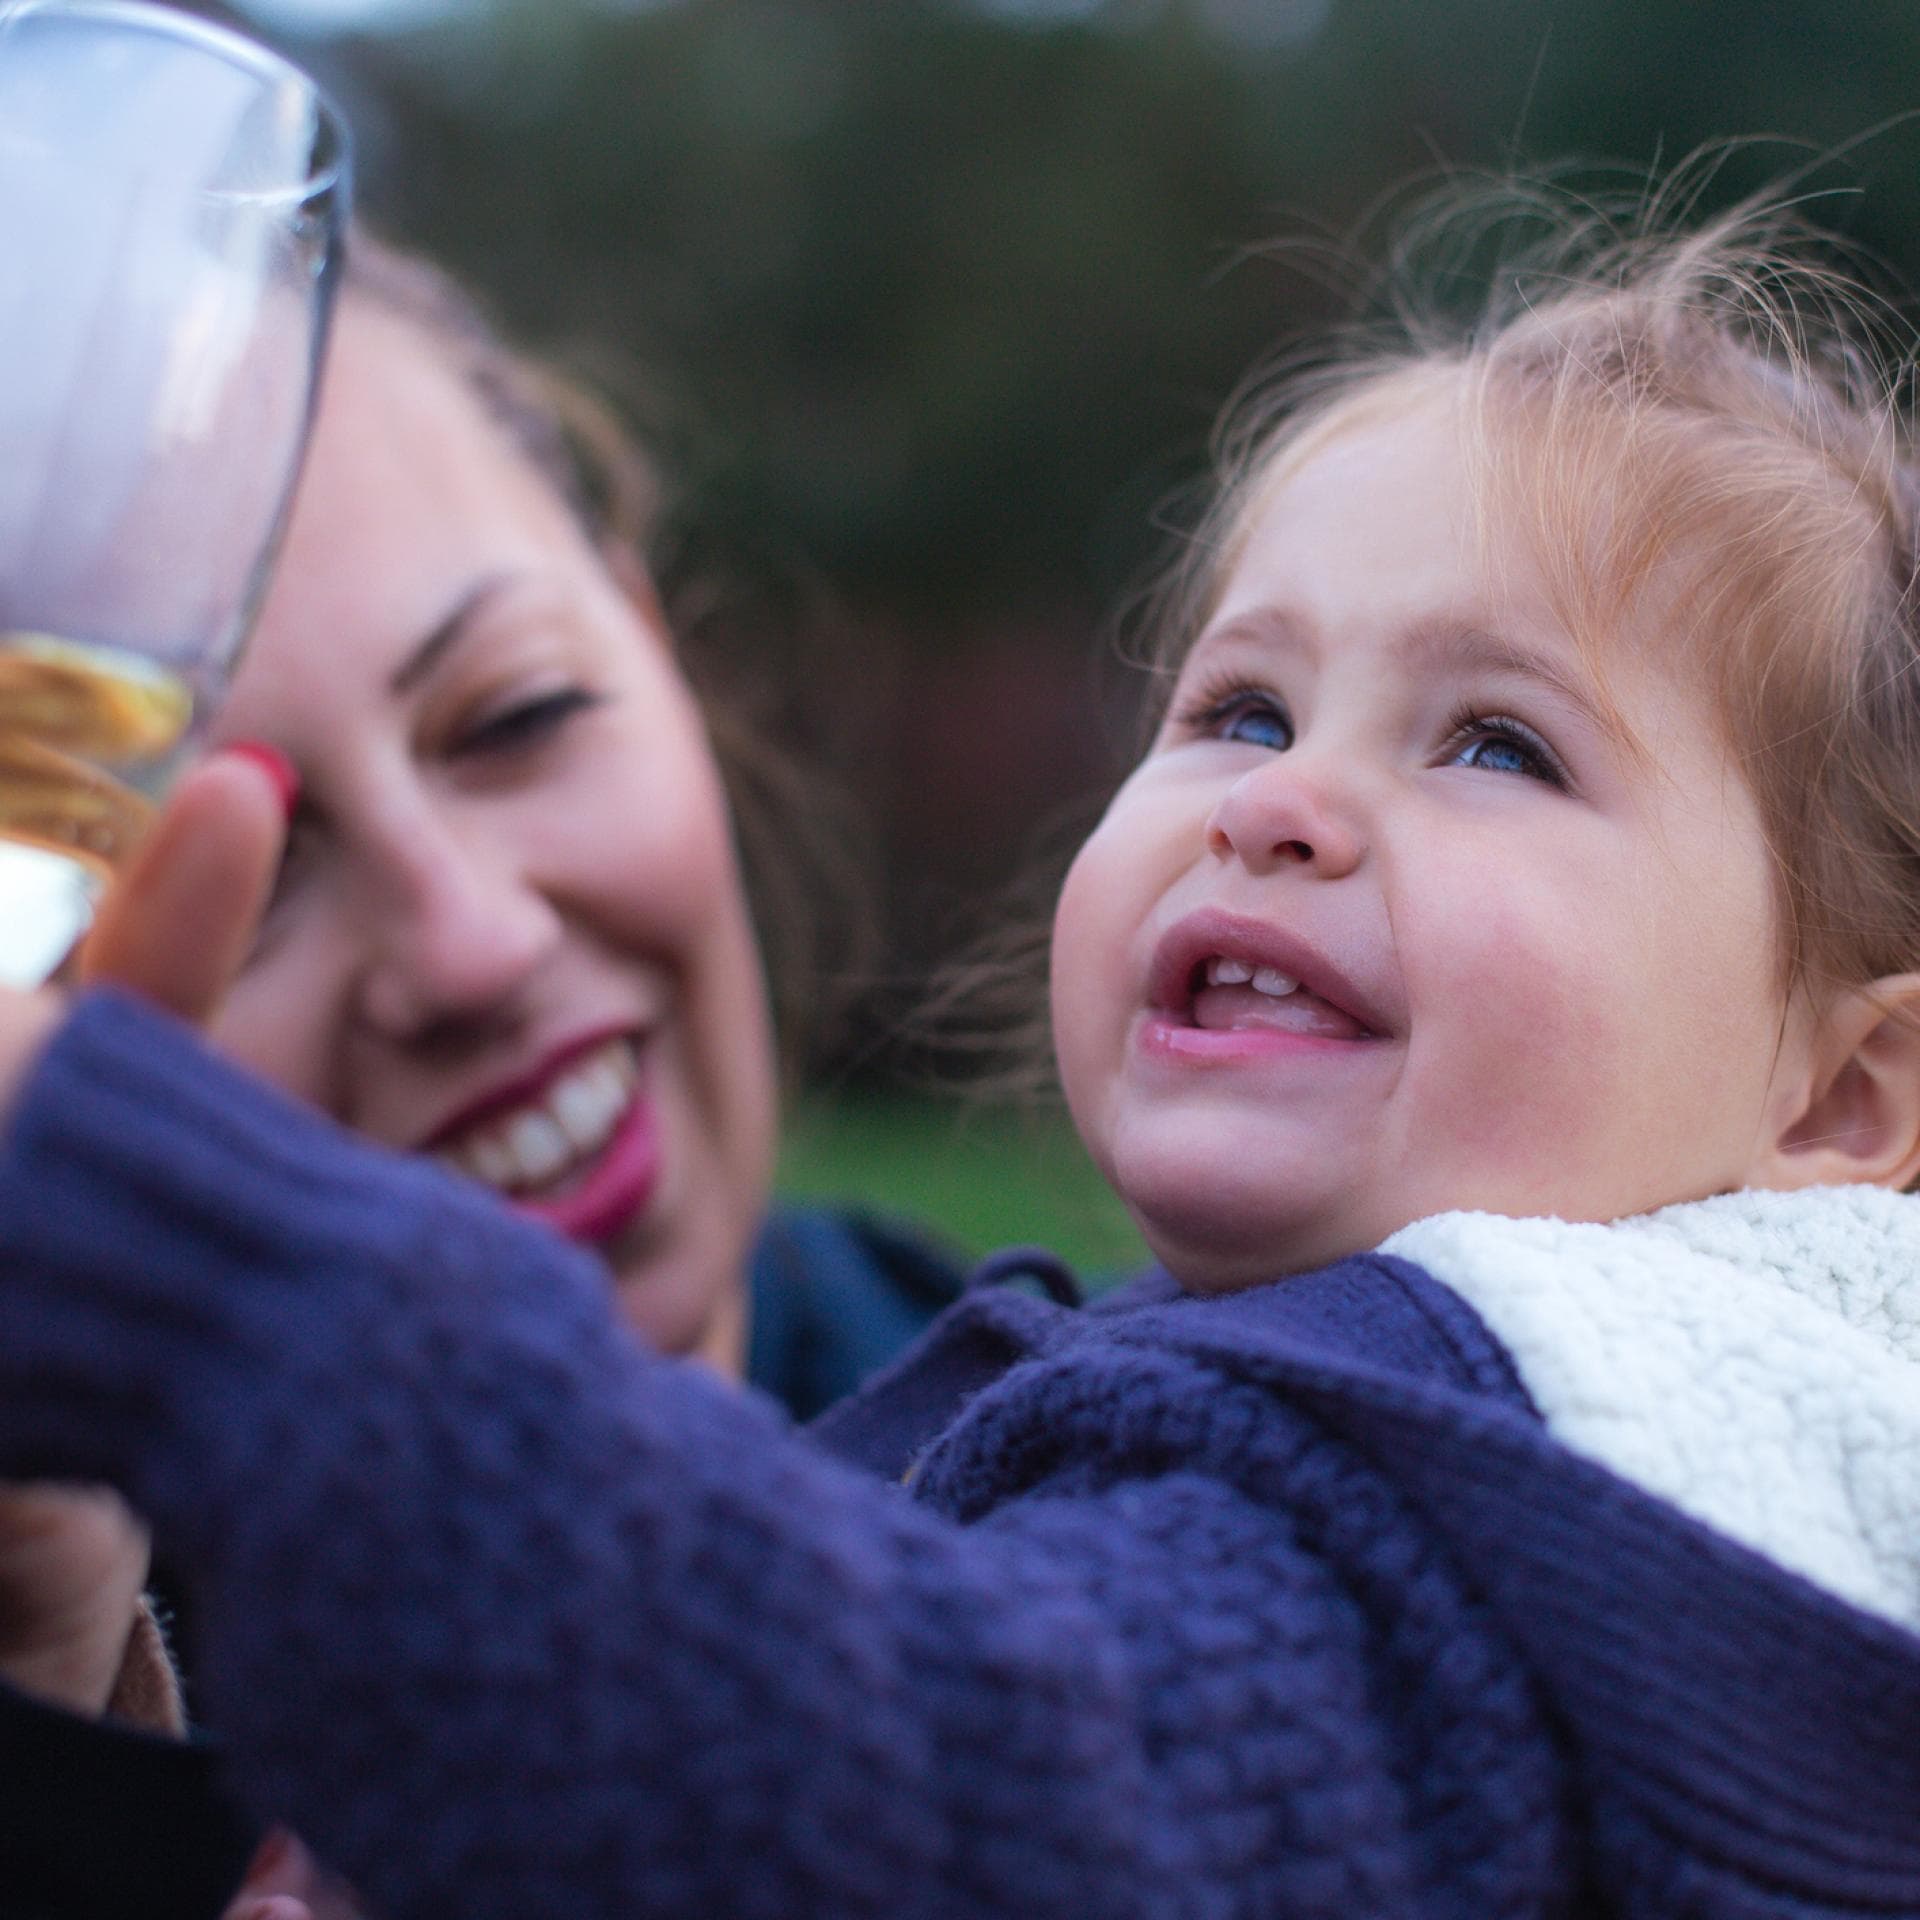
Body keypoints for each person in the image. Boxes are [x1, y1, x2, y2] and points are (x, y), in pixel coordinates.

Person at [1, 172, 1919, 1918]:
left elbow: (936, 1794)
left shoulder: (1485, 1519)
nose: (1284, 800)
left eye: (1498, 744)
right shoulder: (1178, 1401)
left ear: (1842, 1095)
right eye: (1242, 707)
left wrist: (188, 1261)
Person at [0, 230, 966, 1918]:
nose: (470, 943)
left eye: (517, 713)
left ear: (649, 636)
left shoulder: (1203, 1475)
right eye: (237, 860)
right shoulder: (64, 1702)